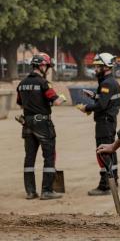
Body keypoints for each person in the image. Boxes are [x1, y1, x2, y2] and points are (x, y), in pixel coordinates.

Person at [16, 53, 66, 200]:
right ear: (42, 66)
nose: (47, 70)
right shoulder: (44, 83)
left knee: (29, 158)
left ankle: (30, 192)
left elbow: (20, 103)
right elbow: (55, 101)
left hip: (27, 124)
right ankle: (47, 191)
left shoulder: (22, 84)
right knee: (49, 156)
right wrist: (62, 98)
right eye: (47, 67)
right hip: (43, 124)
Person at [77, 53, 120, 196]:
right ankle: (113, 181)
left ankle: (105, 186)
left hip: (105, 122)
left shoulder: (106, 83)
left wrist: (87, 108)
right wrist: (94, 96)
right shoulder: (110, 82)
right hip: (109, 121)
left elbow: (102, 105)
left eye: (97, 66)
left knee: (102, 152)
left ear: (105, 67)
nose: (95, 69)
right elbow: (105, 100)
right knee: (109, 150)